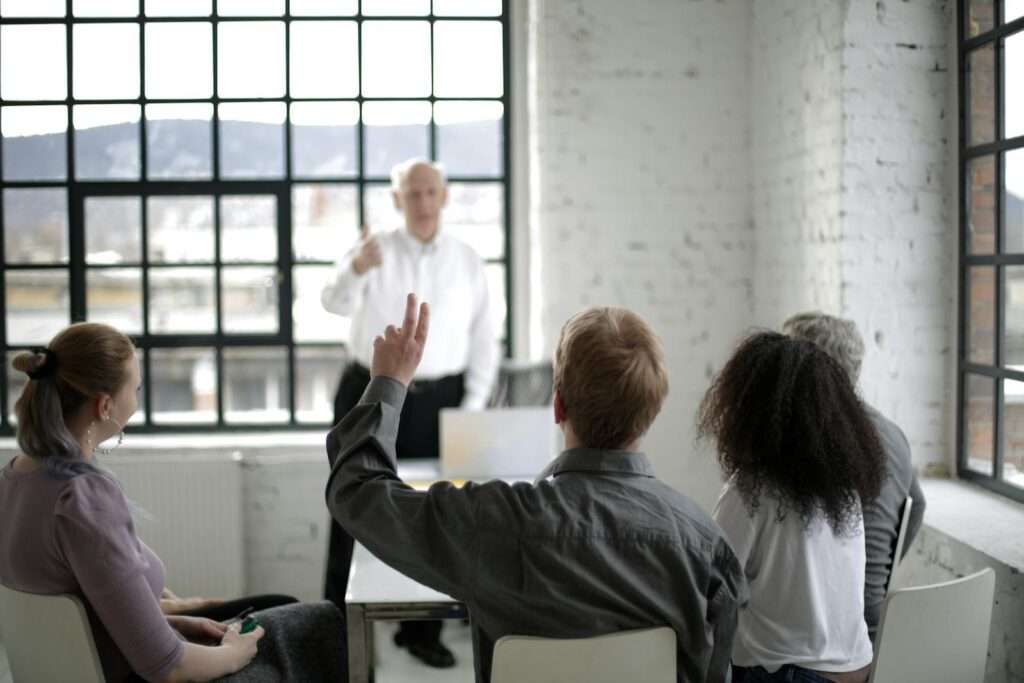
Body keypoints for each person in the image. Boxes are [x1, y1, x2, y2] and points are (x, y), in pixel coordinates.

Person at [325, 295, 748, 683]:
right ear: (652, 410)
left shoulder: (493, 520)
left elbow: (357, 492)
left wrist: (389, 382)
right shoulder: (707, 549)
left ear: (558, 405)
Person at [0, 322, 347, 683]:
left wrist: (171, 623)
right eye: (134, 389)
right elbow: (168, 667)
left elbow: (81, 616)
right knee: (316, 626)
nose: (135, 400)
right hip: (136, 675)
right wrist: (233, 654)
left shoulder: (12, 478)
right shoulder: (83, 498)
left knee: (279, 606)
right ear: (105, 406)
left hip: (86, 665)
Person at [320, 158, 500, 667]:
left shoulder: (468, 259)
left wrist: (470, 408)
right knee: (349, 504)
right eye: (412, 194)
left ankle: (421, 632)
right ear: (396, 200)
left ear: (444, 197)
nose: (422, 202)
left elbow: (485, 340)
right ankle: (333, 634)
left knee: (436, 512)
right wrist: (354, 267)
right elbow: (332, 303)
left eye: (430, 192)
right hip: (368, 390)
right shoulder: (372, 251)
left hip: (441, 398)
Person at [699, 332, 887, 683]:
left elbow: (711, 588)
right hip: (857, 669)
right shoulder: (845, 491)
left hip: (788, 675)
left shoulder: (751, 490)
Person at [782, 312, 926, 640]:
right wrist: (880, 571)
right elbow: (916, 506)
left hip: (833, 640)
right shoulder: (893, 434)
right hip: (879, 629)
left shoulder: (814, 442)